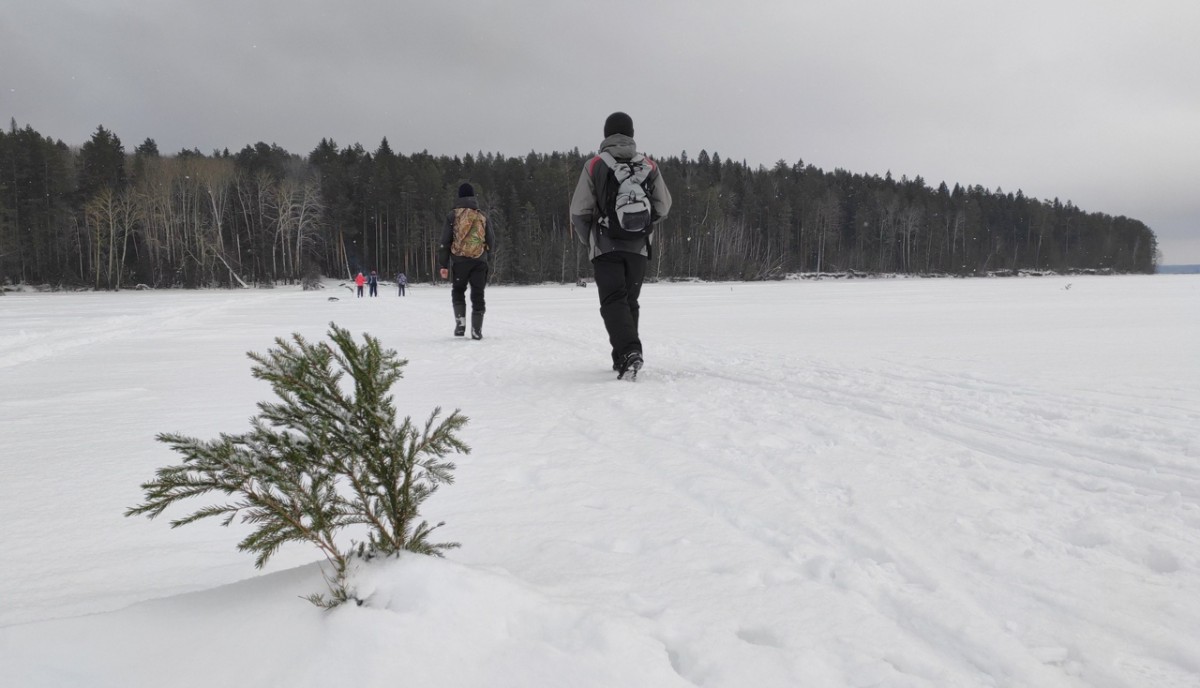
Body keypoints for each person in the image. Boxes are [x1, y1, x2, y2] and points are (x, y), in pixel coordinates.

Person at [569, 111, 671, 378]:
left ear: (606, 134)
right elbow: (664, 205)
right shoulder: (649, 165)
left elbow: (579, 211)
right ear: (631, 134)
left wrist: (590, 238)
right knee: (629, 301)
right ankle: (624, 357)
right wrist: (642, 226)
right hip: (638, 248)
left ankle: (628, 353)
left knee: (613, 300)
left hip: (606, 246)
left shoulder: (594, 165)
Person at [437, 183, 494, 339]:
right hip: (479, 261)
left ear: (459, 196)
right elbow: (491, 239)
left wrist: (443, 264)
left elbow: (445, 241)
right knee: (478, 294)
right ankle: (477, 330)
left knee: (458, 291)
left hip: (459, 261)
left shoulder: (452, 215)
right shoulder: (482, 215)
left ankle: (460, 324)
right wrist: (486, 257)